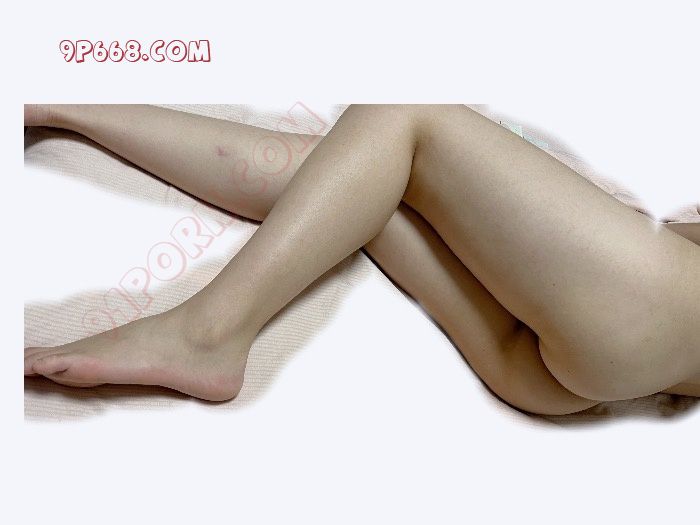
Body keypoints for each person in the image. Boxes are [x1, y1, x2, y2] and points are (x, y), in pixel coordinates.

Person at [23, 104, 700, 416]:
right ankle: (66, 106)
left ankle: (207, 333)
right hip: (583, 361)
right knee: (361, 184)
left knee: (404, 114)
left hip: (652, 306)